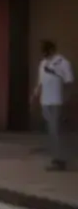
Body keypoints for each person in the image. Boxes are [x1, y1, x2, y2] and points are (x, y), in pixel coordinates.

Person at [32, 40, 73, 171]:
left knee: (56, 131)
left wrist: (66, 99)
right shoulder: (43, 63)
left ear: (52, 50)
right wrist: (35, 95)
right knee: (51, 131)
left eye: (47, 52)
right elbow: (40, 82)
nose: (45, 55)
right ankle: (56, 158)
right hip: (45, 101)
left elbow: (69, 81)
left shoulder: (63, 63)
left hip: (57, 101)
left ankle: (61, 159)